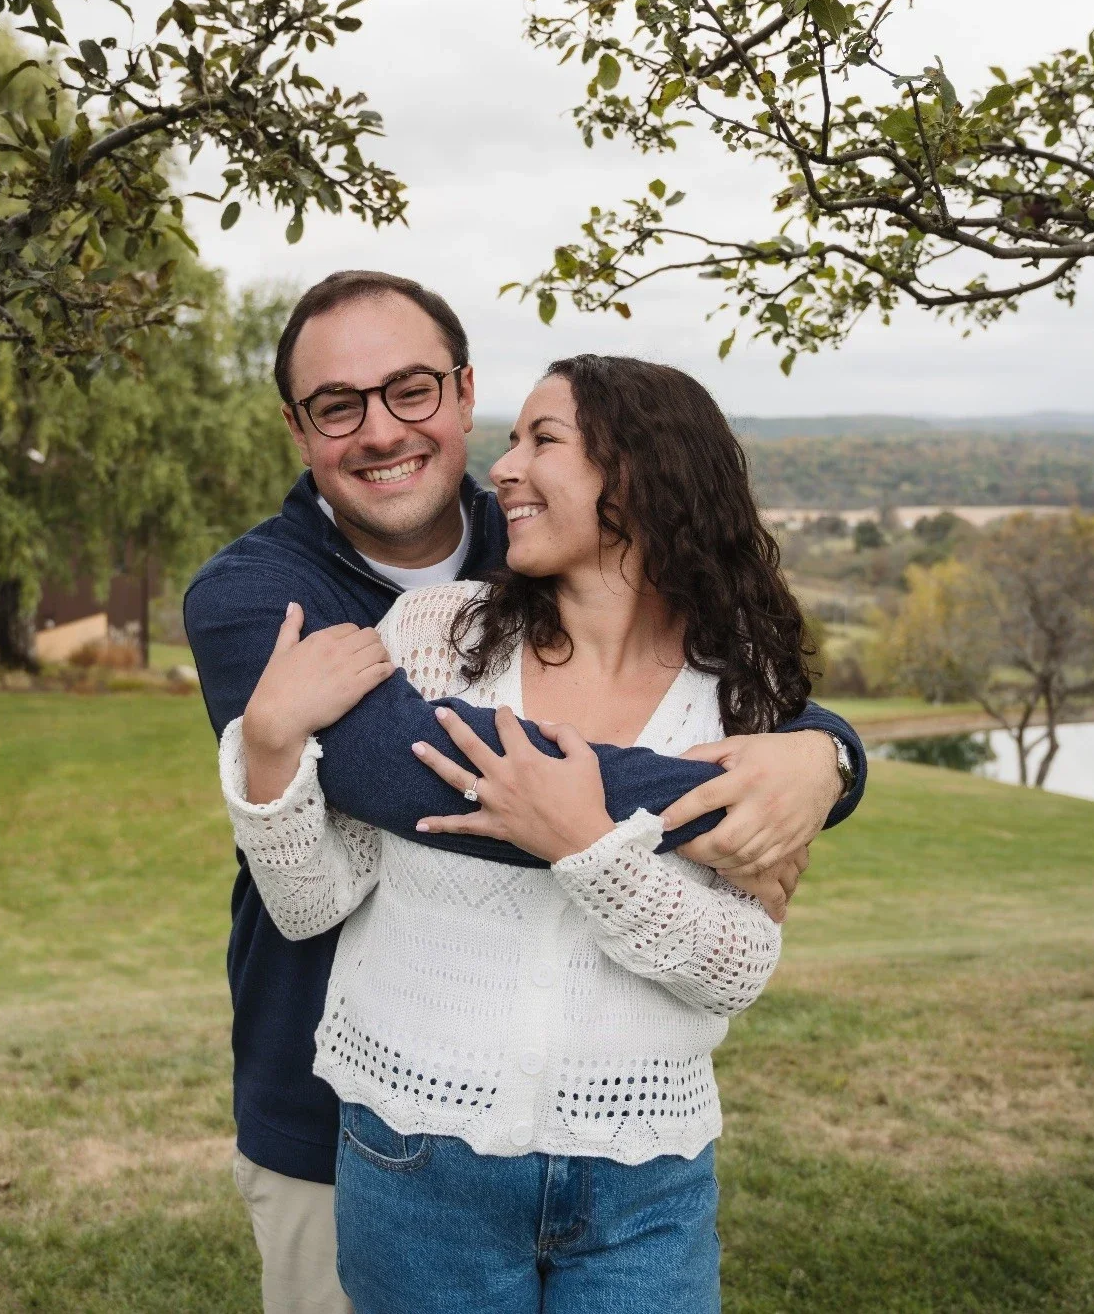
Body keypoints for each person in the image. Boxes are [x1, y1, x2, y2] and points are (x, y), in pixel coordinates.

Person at [183, 273, 866, 1314]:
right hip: (338, 1104)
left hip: (628, 1154)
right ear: (298, 427)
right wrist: (714, 802)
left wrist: (822, 758)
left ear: (459, 391)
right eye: (337, 405)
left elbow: (735, 936)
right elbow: (388, 779)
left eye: (409, 390)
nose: (378, 430)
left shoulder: (538, 538)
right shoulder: (260, 598)